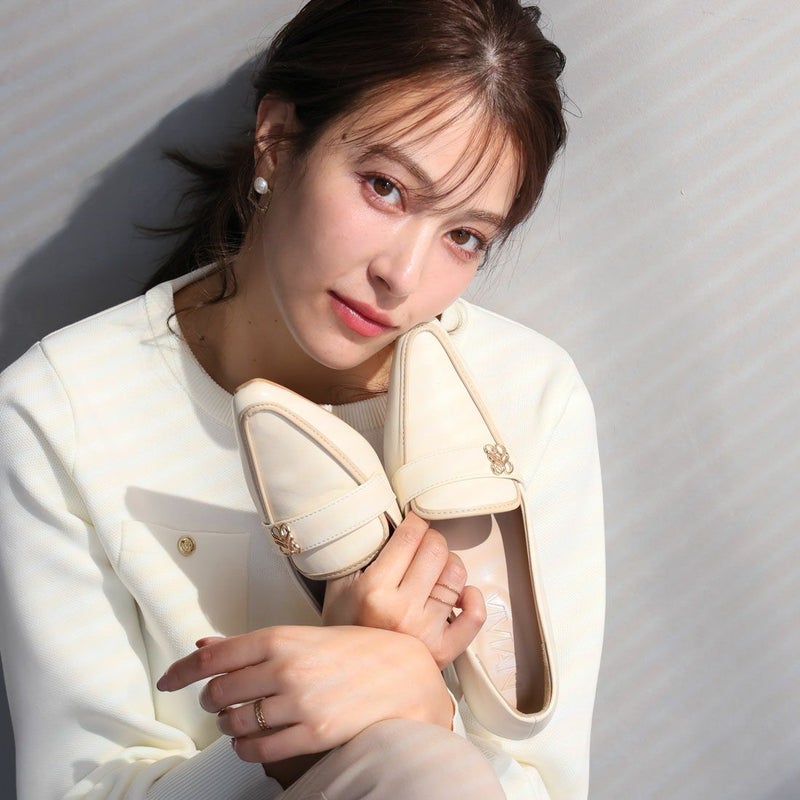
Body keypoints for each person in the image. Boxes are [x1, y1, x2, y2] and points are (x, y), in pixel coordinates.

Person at [0, 0, 605, 797]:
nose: (402, 275)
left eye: (464, 237)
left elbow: (547, 783)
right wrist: (320, 699)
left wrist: (418, 702)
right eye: (385, 188)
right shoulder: (64, 410)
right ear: (279, 140)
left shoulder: (526, 395)